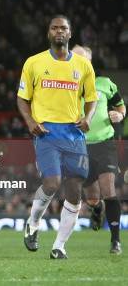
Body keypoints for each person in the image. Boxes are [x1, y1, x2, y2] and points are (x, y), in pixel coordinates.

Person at [18, 15, 97, 259]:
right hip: (47, 132)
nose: (59, 32)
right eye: (55, 28)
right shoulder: (34, 62)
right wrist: (30, 121)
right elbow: (22, 98)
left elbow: (92, 99)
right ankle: (32, 223)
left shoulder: (84, 66)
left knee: (74, 191)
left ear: (70, 33)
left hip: (73, 133)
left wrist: (88, 118)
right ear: (48, 33)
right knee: (52, 183)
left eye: (63, 28)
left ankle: (59, 246)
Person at [73, 45, 123, 254]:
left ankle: (115, 241)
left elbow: (120, 105)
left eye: (81, 58)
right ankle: (96, 208)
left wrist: (120, 115)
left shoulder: (105, 84)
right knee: (92, 197)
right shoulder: (65, 87)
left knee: (109, 190)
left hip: (105, 143)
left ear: (90, 61)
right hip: (79, 145)